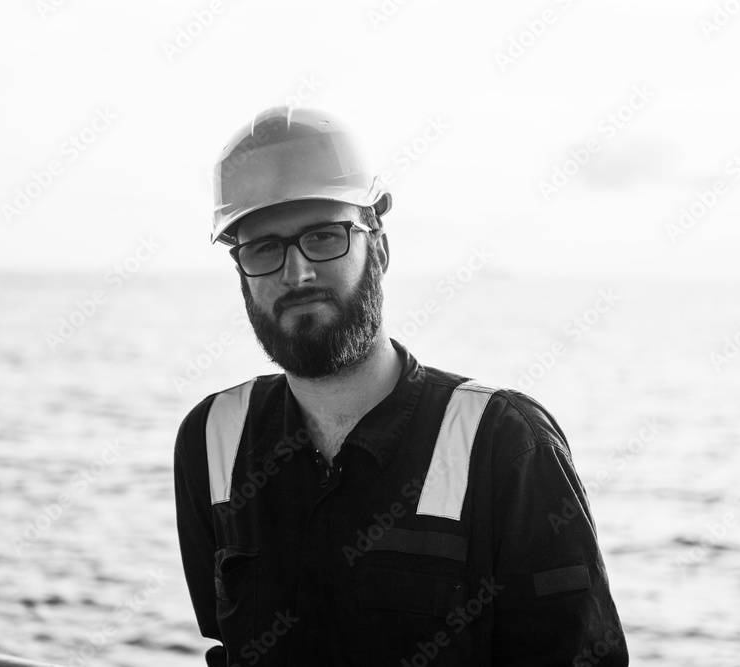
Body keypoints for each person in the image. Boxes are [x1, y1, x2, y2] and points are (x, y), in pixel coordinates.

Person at [174, 106, 628, 666]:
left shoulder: (506, 445)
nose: (297, 274)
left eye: (324, 236)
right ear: (240, 270)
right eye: (264, 247)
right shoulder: (212, 440)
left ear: (380, 249)